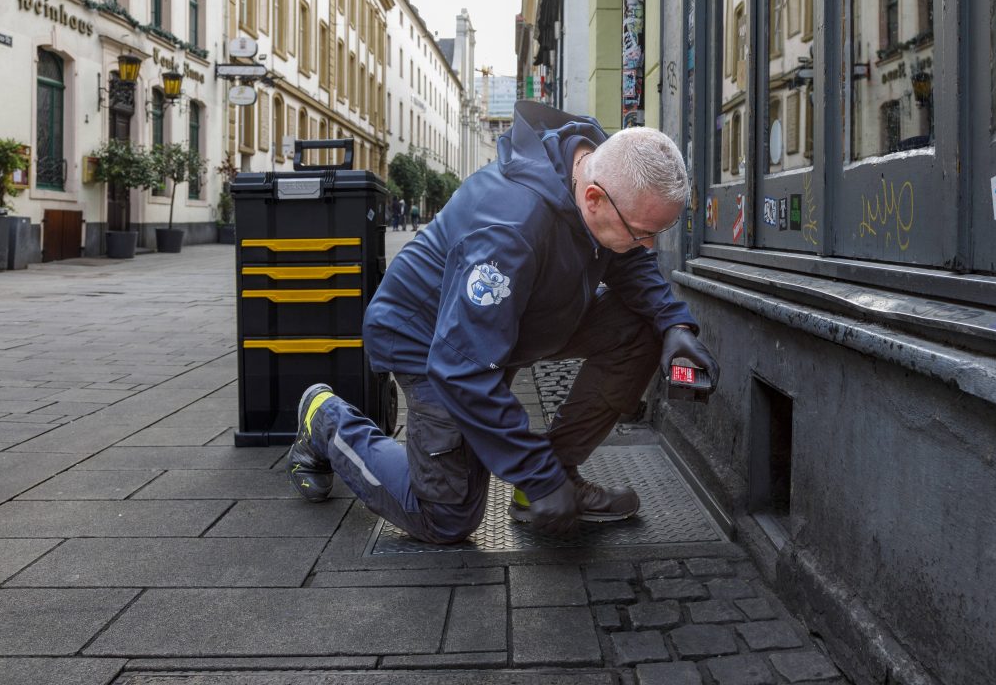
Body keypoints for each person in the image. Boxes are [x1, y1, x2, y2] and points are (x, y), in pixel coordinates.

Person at [287, 101, 719, 541]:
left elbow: (626, 261)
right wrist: (536, 473)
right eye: (642, 232)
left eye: (657, 234)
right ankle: (325, 418)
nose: (648, 247)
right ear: (593, 198)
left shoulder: (602, 172)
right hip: (430, 338)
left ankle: (554, 476)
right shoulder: (510, 227)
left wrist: (674, 325)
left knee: (644, 327)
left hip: (515, 319)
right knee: (446, 517)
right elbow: (462, 369)